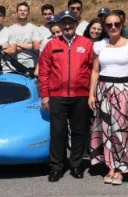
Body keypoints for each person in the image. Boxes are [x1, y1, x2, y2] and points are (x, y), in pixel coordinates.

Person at [89, 13, 128, 184]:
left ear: (122, 25)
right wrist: (91, 93)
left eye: (116, 24)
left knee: (121, 130)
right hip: (103, 90)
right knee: (106, 130)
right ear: (105, 27)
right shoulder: (100, 46)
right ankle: (110, 167)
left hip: (123, 91)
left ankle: (121, 169)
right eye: (109, 25)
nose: (113, 27)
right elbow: (95, 71)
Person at [39, 10, 94, 181]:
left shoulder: (87, 44)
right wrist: (45, 95)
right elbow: (44, 72)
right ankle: (56, 167)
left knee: (79, 132)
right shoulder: (51, 45)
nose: (67, 26)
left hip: (81, 95)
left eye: (71, 22)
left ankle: (76, 165)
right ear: (59, 25)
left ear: (77, 24)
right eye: (64, 23)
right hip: (58, 96)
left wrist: (92, 93)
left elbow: (94, 70)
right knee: (58, 132)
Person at [7, 2, 45, 72]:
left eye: (25, 10)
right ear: (17, 12)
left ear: (28, 12)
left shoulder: (35, 29)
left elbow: (37, 46)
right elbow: (9, 48)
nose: (22, 12)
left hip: (31, 64)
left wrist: (17, 45)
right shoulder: (10, 30)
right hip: (14, 66)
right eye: (20, 10)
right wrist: (29, 45)